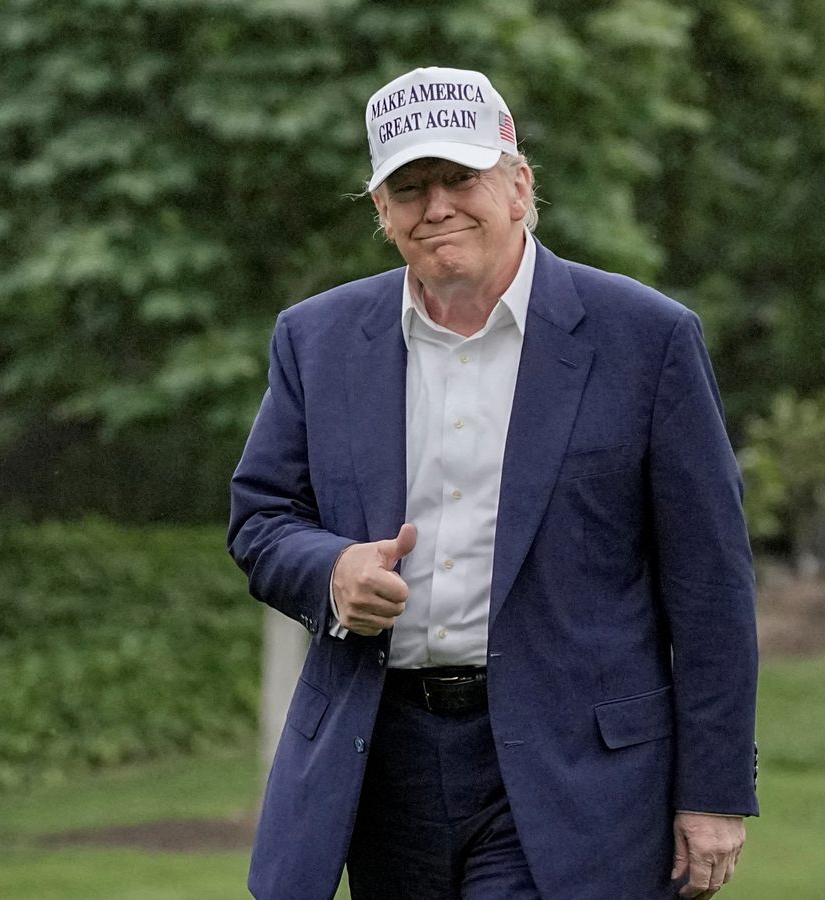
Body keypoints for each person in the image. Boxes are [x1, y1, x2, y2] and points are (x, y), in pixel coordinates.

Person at [229, 66, 758, 900]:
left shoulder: (646, 340)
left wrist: (715, 791)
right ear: (382, 211)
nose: (437, 206)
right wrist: (332, 572)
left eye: (460, 178)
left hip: (574, 771)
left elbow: (710, 583)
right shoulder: (316, 340)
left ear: (519, 186)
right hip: (381, 767)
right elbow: (261, 519)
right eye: (410, 188)